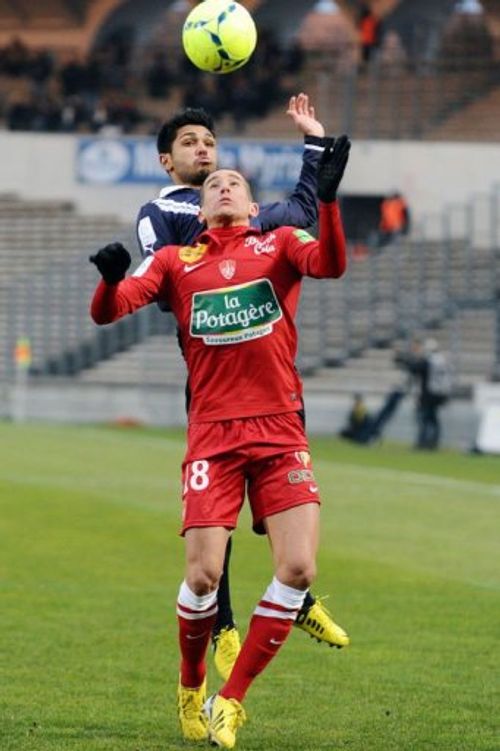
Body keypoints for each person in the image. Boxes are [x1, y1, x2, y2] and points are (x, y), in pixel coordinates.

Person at [89, 140, 351, 747]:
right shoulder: (176, 263)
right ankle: (190, 683)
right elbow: (111, 311)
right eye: (214, 185)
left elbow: (332, 264)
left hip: (280, 429)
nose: (225, 186)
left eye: (234, 182)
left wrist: (329, 199)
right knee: (204, 576)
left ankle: (229, 702)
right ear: (200, 210)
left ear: (253, 204)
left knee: (299, 566)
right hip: (212, 435)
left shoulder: (280, 244)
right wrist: (107, 282)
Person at [135, 94, 349, 684]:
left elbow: (299, 212)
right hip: (212, 381)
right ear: (167, 162)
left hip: (271, 381)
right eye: (189, 144)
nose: (203, 151)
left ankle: (292, 597)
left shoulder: (238, 208)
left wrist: (312, 146)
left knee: (286, 500)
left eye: (209, 143)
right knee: (213, 527)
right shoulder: (164, 214)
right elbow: (169, 276)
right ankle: (225, 627)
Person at [395, 337, 451, 450]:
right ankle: (433, 442)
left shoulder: (429, 360)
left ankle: (423, 442)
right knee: (433, 418)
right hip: (440, 393)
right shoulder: (442, 359)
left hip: (429, 393)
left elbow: (415, 368)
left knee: (424, 418)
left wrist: (402, 359)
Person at [339, 389, 405, 444]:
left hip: (367, 429)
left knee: (384, 414)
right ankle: (395, 397)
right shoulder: (358, 408)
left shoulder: (359, 408)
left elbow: (358, 421)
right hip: (367, 429)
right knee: (384, 414)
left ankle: (395, 396)